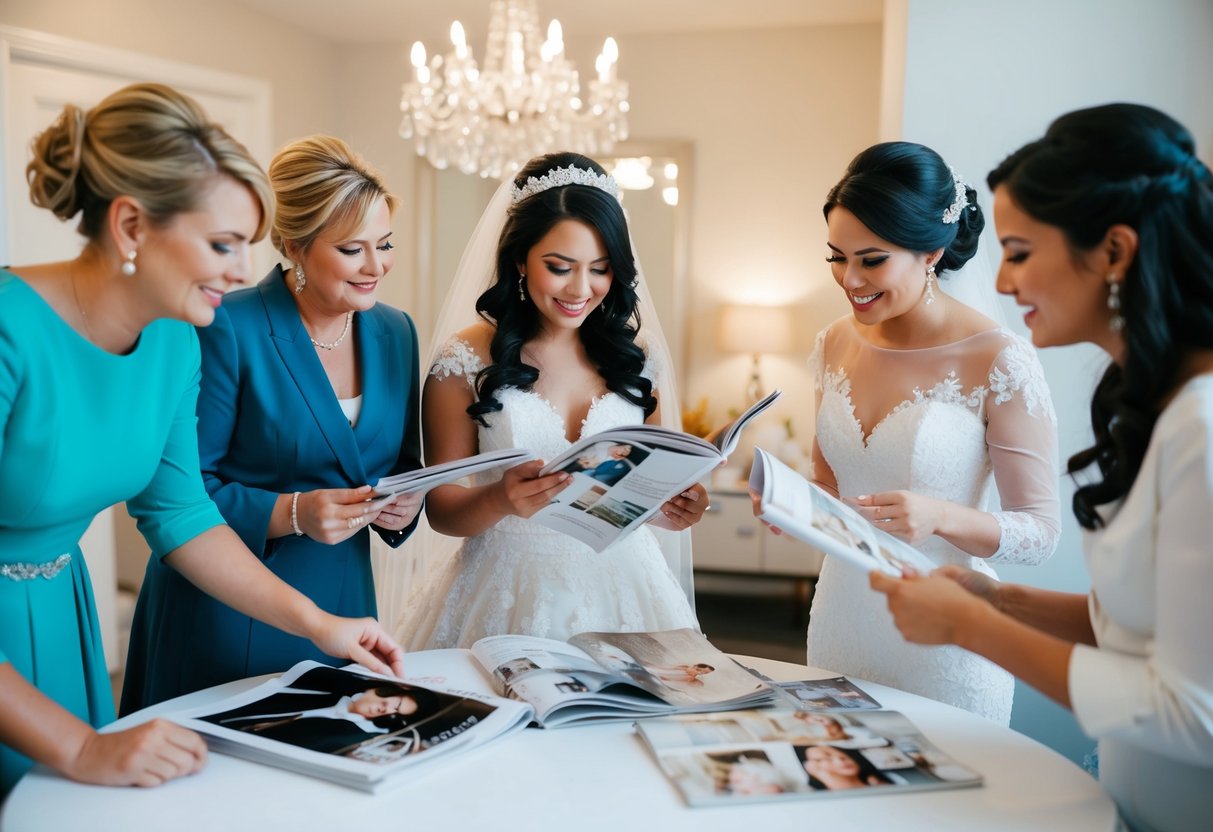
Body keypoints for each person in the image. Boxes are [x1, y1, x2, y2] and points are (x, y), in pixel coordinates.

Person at [0, 83, 404, 797]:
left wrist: (321, 625)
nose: (244, 272)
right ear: (130, 226)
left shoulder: (174, 346)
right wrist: (84, 749)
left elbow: (184, 515)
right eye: (221, 244)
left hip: (63, 623)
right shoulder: (10, 333)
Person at [871, 103, 1213, 831]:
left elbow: (1196, 715)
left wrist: (971, 628)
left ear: (1114, 251)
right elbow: (1133, 630)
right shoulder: (1159, 405)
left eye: (1020, 252)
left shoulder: (1203, 428)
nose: (1000, 282)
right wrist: (998, 600)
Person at [121, 136, 423, 713]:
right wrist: (293, 512)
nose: (376, 266)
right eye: (352, 250)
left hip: (345, 603)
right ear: (294, 246)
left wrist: (405, 506)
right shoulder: (225, 326)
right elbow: (187, 491)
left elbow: (400, 460)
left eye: (384, 245)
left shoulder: (395, 331)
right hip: (226, 606)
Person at [784, 141, 1062, 724]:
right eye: (836, 257)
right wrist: (789, 505)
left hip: (948, 633)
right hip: (841, 618)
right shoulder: (833, 342)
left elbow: (1039, 533)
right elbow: (830, 484)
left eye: (871, 259)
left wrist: (939, 517)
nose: (849, 279)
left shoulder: (1000, 359)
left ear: (931, 251)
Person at [399, 152, 706, 649]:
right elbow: (441, 511)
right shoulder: (463, 360)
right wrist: (501, 498)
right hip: (505, 587)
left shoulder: (636, 360)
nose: (580, 289)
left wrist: (677, 506)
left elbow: (650, 486)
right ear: (520, 259)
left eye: (600, 270)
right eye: (560, 267)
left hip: (626, 589)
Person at [795, 745, 892, 791]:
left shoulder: (882, 782)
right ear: (810, 767)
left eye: (843, 756)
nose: (840, 761)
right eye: (826, 758)